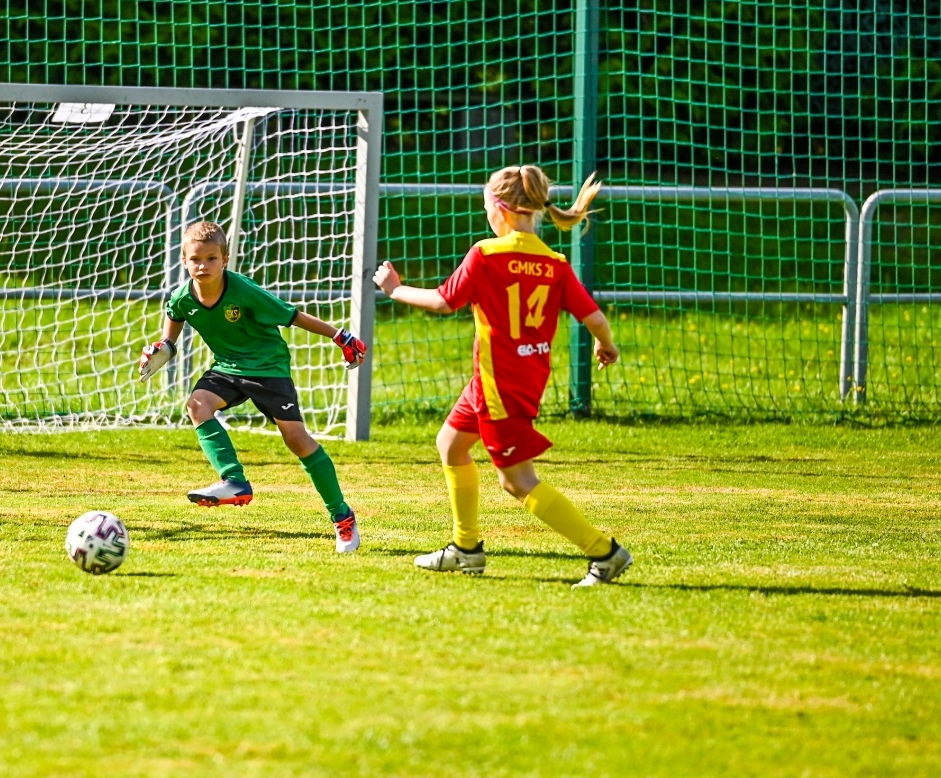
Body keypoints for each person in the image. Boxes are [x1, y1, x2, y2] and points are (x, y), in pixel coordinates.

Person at [373, 166, 632, 587]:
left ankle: (604, 552)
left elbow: (443, 301)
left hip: (499, 387)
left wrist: (394, 289)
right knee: (451, 444)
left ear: (500, 209)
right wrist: (606, 345)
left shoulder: (487, 254)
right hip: (513, 379)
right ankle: (466, 549)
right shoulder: (554, 262)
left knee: (518, 481)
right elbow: (595, 316)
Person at [137, 220, 367, 553]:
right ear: (184, 260)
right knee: (197, 404)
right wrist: (162, 348)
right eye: (196, 259)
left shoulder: (242, 290)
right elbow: (173, 321)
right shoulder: (183, 297)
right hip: (228, 367)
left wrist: (338, 335)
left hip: (267, 368)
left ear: (225, 259)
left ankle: (342, 517)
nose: (203, 266)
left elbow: (292, 315)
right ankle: (234, 481)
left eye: (212, 258)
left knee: (297, 440)